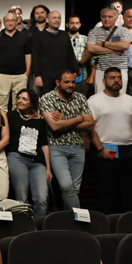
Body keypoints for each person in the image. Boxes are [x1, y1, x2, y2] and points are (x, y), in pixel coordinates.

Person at [88, 68, 132, 214]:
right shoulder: (94, 101)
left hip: (129, 150)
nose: (116, 80)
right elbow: (90, 128)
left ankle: (130, 226)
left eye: (119, 77)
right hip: (106, 150)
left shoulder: (130, 100)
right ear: (104, 81)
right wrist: (101, 149)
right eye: (112, 78)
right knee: (107, 193)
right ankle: (110, 227)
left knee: (131, 192)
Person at [38, 70, 94, 212]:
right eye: (67, 82)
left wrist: (65, 121)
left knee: (75, 189)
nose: (70, 85)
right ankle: (80, 219)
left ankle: (68, 221)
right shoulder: (47, 98)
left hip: (77, 146)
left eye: (73, 82)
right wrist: (78, 118)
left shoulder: (80, 98)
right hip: (57, 146)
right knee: (66, 186)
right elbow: (55, 126)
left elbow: (91, 124)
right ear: (58, 83)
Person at [6, 89, 52, 219]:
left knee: (42, 198)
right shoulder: (11, 116)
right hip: (17, 158)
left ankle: (38, 230)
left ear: (32, 102)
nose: (20, 101)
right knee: (22, 199)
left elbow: (44, 144)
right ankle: (23, 230)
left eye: (24, 99)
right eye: (19, 98)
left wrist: (48, 168)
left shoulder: (40, 119)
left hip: (37, 162)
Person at [0, 10, 32, 113]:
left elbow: (28, 55)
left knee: (19, 103)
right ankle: (3, 127)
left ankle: (15, 127)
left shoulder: (24, 36)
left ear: (17, 21)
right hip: (3, 75)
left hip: (20, 75)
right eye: (7, 20)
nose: (10, 22)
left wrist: (27, 73)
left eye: (12, 20)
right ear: (4, 22)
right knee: (1, 104)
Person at [32, 10, 79, 97]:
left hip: (63, 75)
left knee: (65, 98)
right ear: (47, 20)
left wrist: (75, 70)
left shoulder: (64, 35)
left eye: (59, 18)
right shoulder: (39, 36)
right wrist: (37, 75)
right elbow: (35, 57)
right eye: (54, 18)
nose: (57, 20)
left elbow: (70, 54)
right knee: (46, 99)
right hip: (46, 75)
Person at [67, 15, 91, 96]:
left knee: (81, 98)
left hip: (82, 74)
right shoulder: (63, 38)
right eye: (72, 23)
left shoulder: (85, 39)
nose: (74, 25)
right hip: (66, 73)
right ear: (67, 25)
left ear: (80, 25)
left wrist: (80, 63)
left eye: (76, 23)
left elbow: (89, 54)